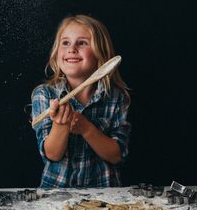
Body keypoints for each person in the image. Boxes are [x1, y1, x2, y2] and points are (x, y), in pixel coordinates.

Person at [31, 14, 131, 188]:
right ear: (56, 54)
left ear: (100, 54)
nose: (72, 49)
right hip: (56, 196)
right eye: (65, 42)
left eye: (82, 42)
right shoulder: (44, 94)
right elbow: (52, 154)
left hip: (105, 196)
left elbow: (117, 155)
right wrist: (60, 125)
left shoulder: (115, 97)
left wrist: (86, 128)